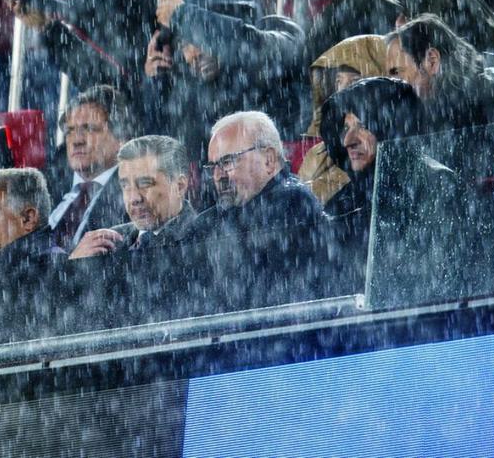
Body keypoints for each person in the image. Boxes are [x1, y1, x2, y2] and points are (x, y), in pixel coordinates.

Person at [319, 77, 469, 304]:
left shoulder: (437, 184)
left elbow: (443, 279)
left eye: (363, 126)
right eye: (346, 128)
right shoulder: (344, 201)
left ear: (392, 127)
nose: (348, 140)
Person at [145, 0, 306, 158]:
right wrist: (157, 84)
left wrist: (183, 16)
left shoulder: (281, 31)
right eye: (184, 44)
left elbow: (255, 49)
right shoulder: (195, 92)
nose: (193, 53)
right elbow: (163, 154)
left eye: (197, 39)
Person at [191, 111, 328, 307]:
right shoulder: (215, 219)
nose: (218, 175)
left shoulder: (293, 202)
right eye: (213, 166)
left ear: (269, 160)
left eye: (227, 162)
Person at [297, 33, 389, 205]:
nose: (342, 90)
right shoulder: (316, 154)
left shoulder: (383, 154)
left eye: (356, 80)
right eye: (339, 81)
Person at [70, 135, 196, 258]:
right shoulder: (108, 241)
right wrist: (76, 262)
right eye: (125, 186)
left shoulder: (202, 237)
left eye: (145, 184)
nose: (134, 198)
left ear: (179, 186)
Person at [384, 14, 494, 132]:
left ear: (432, 61)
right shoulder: (425, 115)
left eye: (396, 72)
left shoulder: (483, 109)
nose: (390, 82)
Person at [47, 87, 133, 251]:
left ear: (122, 139)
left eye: (90, 129)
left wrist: (72, 265)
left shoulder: (132, 195)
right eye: (70, 131)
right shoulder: (46, 184)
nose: (76, 140)